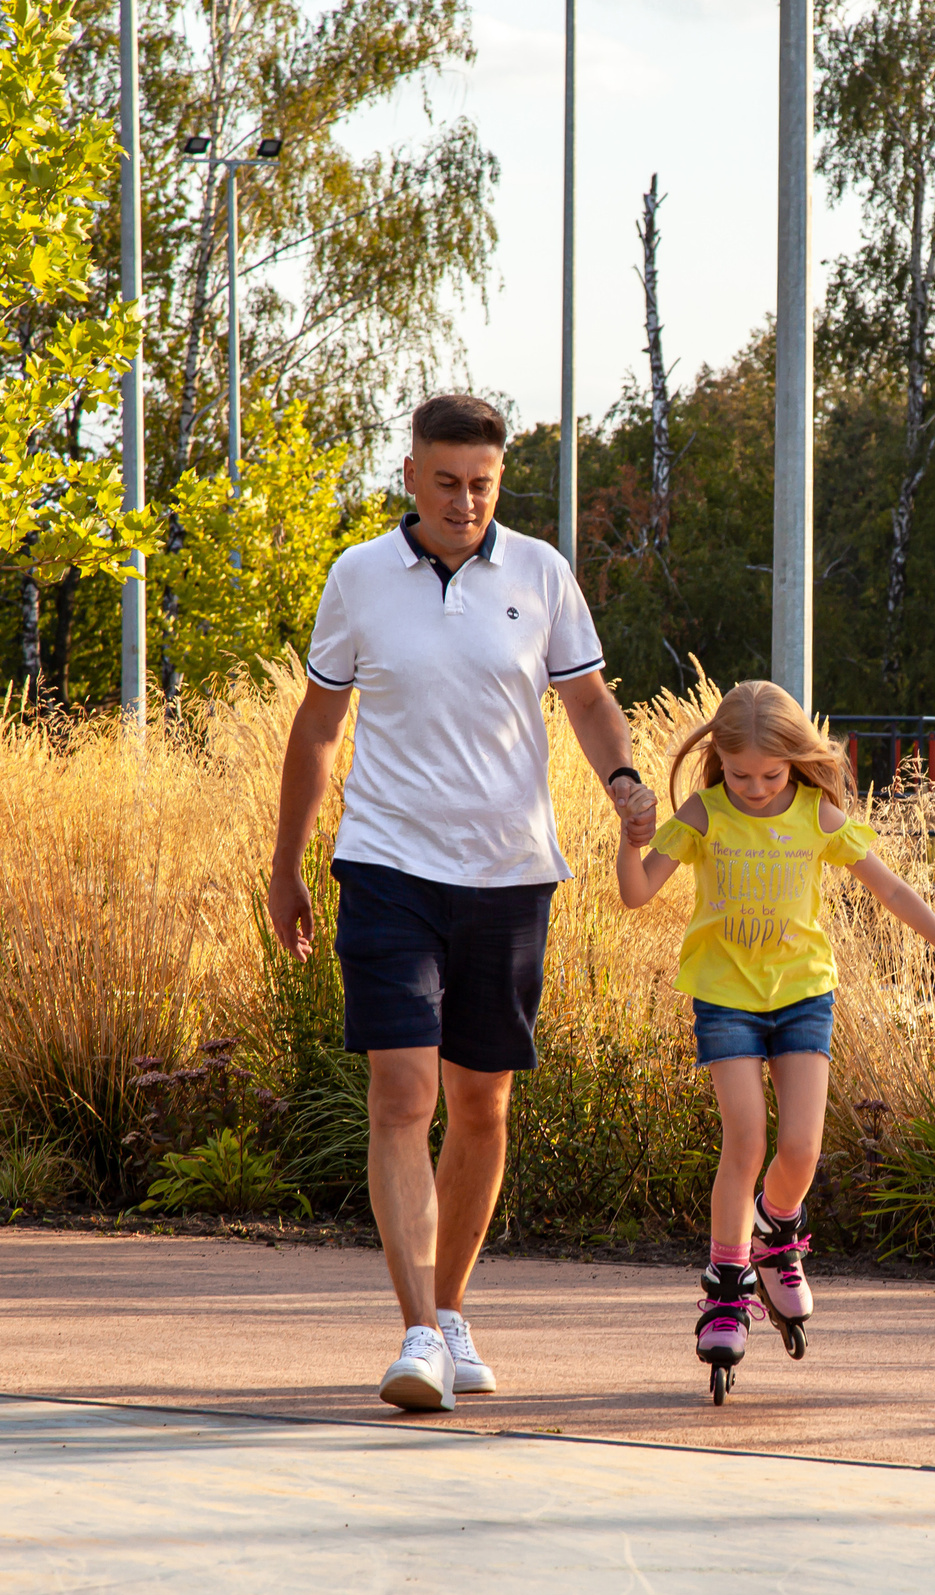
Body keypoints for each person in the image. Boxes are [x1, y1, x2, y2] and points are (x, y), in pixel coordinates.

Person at [268, 393, 655, 1413]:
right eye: (446, 481)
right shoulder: (358, 578)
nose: (464, 500)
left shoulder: (540, 572)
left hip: (511, 875)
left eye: (481, 484)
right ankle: (413, 1332)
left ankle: (449, 1312)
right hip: (389, 868)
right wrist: (285, 866)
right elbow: (314, 730)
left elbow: (586, 701)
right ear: (410, 477)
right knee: (403, 1095)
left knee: (482, 1105)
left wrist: (623, 786)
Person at [614, 680, 935, 1402]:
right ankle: (727, 1287)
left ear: (796, 760)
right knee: (746, 1142)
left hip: (801, 996)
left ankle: (776, 1233)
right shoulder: (705, 813)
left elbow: (891, 890)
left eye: (771, 773)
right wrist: (628, 840)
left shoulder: (816, 815)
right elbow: (636, 893)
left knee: (801, 1149)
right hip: (726, 997)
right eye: (739, 773)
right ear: (717, 762)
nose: (755, 788)